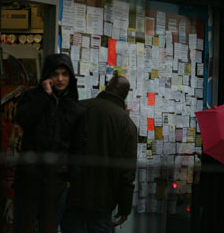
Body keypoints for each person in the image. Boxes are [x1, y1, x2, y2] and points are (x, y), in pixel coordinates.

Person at [13, 53, 86, 233]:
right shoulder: (32, 97)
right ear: (47, 76)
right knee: (25, 226)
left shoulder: (75, 108)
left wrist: (70, 179)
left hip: (57, 181)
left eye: (64, 74)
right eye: (55, 74)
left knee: (49, 227)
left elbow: (78, 147)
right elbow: (24, 119)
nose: (60, 79)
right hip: (30, 177)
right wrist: (45, 96)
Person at [60, 76, 137, 233]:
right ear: (125, 95)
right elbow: (127, 172)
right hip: (103, 200)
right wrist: (125, 207)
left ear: (107, 87)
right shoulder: (126, 124)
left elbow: (61, 148)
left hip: (73, 192)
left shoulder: (80, 108)